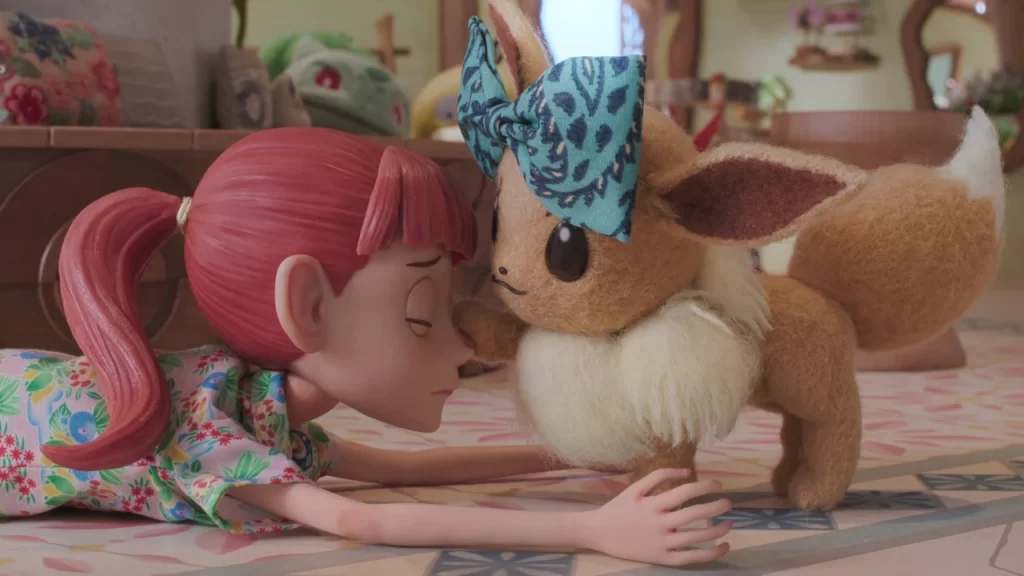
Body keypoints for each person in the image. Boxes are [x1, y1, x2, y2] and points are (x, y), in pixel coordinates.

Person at [0, 128, 732, 567]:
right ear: (309, 308)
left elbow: (401, 470)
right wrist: (592, 531)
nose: (462, 345)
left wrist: (583, 456)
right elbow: (362, 519)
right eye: (421, 314)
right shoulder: (212, 437)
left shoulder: (256, 405)